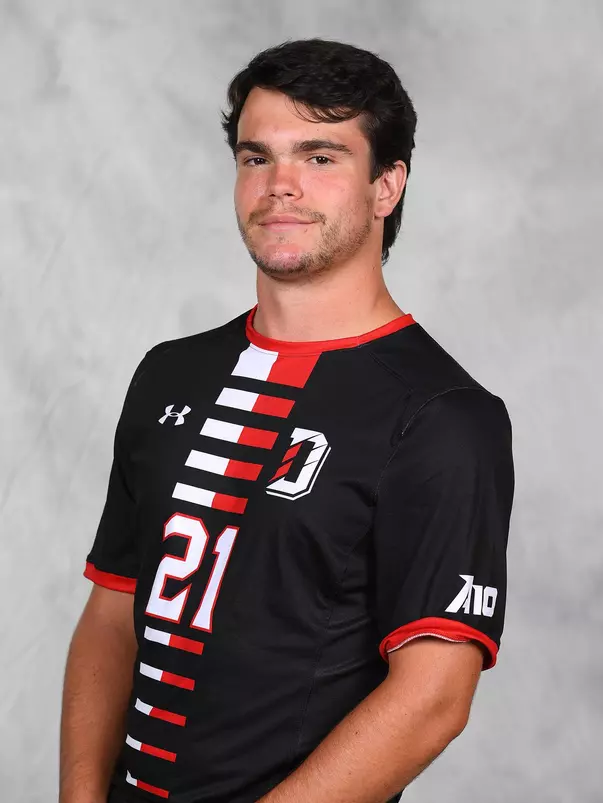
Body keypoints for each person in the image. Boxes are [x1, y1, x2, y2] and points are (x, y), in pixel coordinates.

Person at [60, 37, 515, 803]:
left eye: (320, 157)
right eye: (255, 157)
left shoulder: (441, 417)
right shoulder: (170, 372)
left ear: (386, 185)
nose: (280, 186)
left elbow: (433, 698)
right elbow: (113, 612)